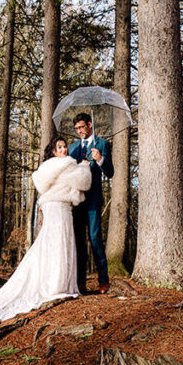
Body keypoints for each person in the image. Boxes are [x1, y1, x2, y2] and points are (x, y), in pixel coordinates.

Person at [0, 137, 91, 330]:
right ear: (53, 151)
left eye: (65, 146)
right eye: (59, 147)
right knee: (57, 241)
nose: (64, 149)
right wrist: (84, 166)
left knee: (59, 241)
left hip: (61, 207)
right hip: (56, 206)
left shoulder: (59, 167)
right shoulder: (60, 165)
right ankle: (57, 285)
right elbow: (83, 182)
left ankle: (61, 282)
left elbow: (76, 187)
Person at [69, 112, 114, 294]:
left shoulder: (102, 144)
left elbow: (110, 172)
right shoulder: (72, 148)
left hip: (94, 200)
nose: (79, 131)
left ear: (89, 124)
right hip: (77, 201)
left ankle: (103, 281)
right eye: (76, 129)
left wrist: (100, 159)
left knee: (95, 239)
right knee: (79, 242)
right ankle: (80, 283)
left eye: (81, 127)